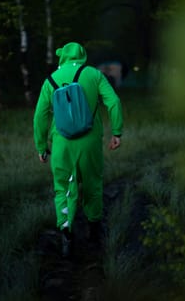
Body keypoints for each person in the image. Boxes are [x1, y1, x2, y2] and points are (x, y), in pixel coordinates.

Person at [33, 42, 123, 257]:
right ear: (82, 55)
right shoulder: (94, 74)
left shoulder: (51, 80)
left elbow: (40, 116)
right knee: (92, 185)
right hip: (90, 144)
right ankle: (94, 231)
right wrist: (117, 132)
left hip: (62, 145)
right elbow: (114, 102)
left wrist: (41, 146)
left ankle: (66, 232)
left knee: (63, 188)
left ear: (62, 57)